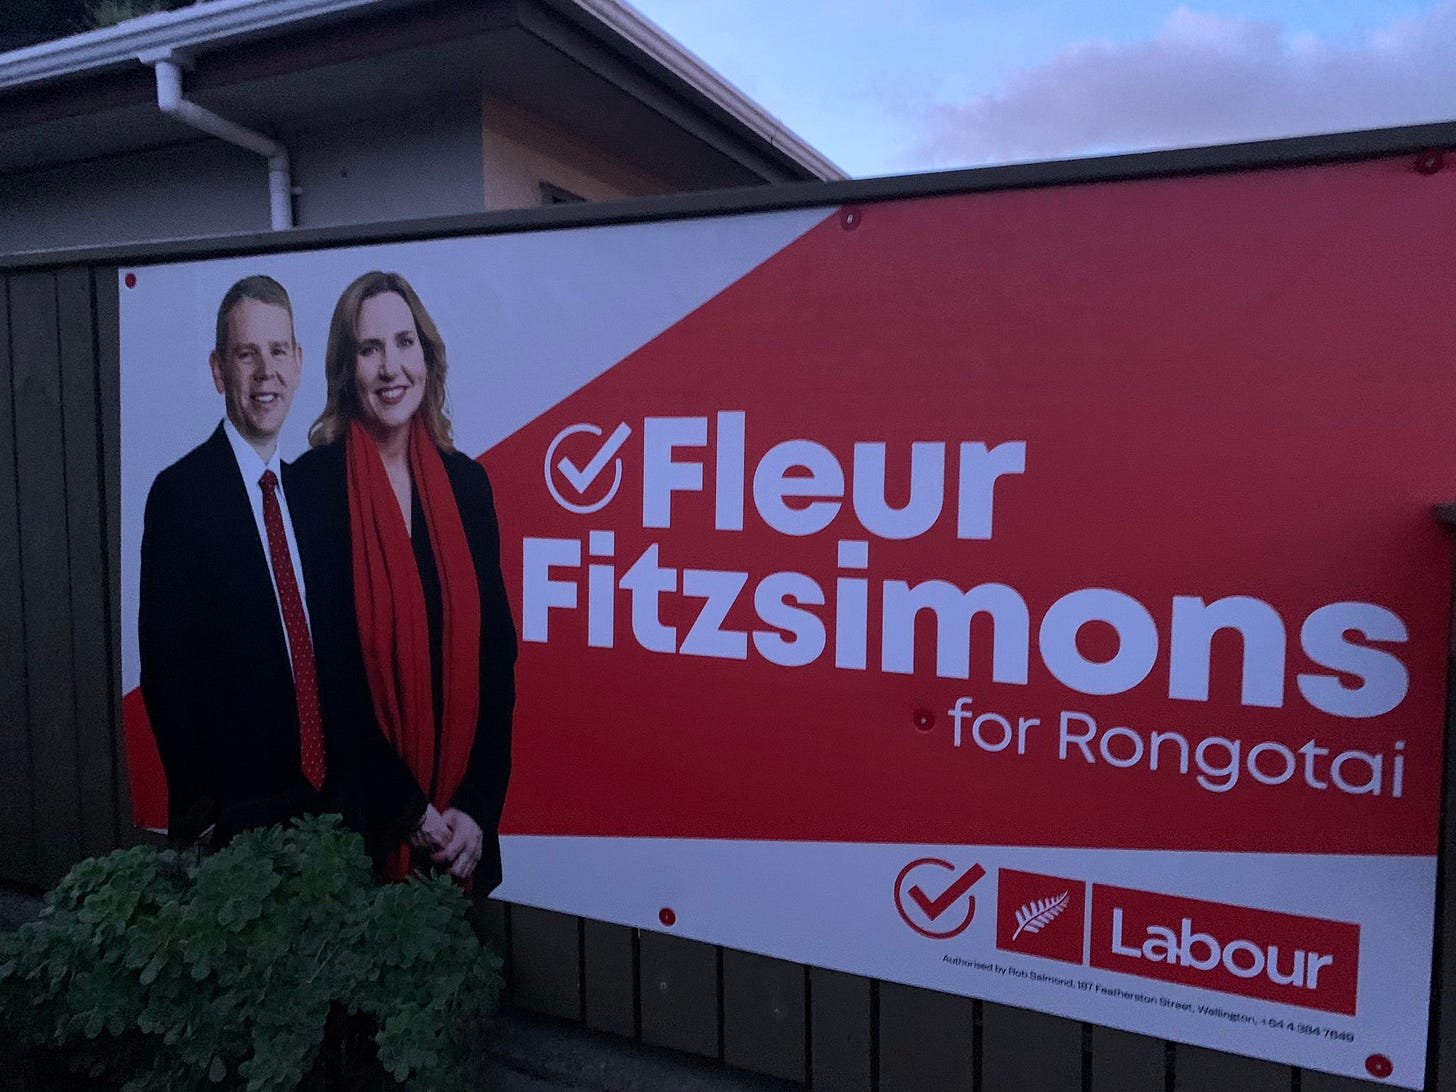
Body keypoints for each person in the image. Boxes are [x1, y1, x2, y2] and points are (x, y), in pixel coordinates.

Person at [138, 274, 448, 852]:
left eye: (278, 351)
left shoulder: (310, 495)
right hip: (239, 833)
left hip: (332, 819)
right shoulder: (181, 496)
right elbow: (167, 676)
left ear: (299, 362)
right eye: (246, 354)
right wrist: (207, 820)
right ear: (217, 369)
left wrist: (410, 811)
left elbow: (340, 670)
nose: (265, 373)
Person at [289, 271, 516, 890]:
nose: (391, 367)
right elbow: (324, 672)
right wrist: (408, 813)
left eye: (404, 343)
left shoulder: (468, 486)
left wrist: (474, 807)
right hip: (361, 832)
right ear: (347, 368)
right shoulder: (309, 490)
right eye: (370, 349)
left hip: (459, 843)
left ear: (427, 356)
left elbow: (497, 656)